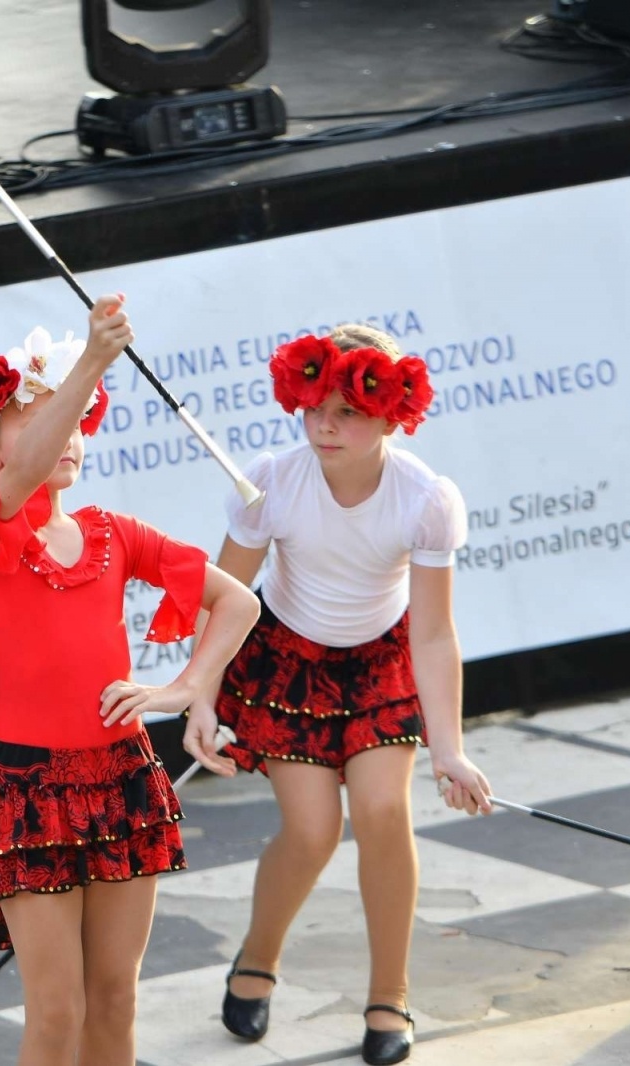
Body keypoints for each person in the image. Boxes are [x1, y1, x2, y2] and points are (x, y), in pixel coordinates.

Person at [0, 296, 262, 1066]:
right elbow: (22, 477)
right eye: (39, 420)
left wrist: (186, 688)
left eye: (76, 418)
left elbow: (238, 602)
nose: (69, 433)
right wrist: (90, 361)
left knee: (115, 1001)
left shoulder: (115, 534)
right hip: (27, 790)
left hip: (122, 780)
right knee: (58, 1012)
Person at [202, 326, 492, 1065]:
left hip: (379, 665)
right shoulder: (273, 481)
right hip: (288, 664)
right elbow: (224, 600)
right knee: (311, 832)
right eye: (314, 408)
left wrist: (450, 750)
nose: (324, 426)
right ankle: (257, 956)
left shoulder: (425, 498)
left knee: (384, 811)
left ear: (393, 416)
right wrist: (199, 697)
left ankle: (389, 994)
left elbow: (434, 633)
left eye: (348, 413)